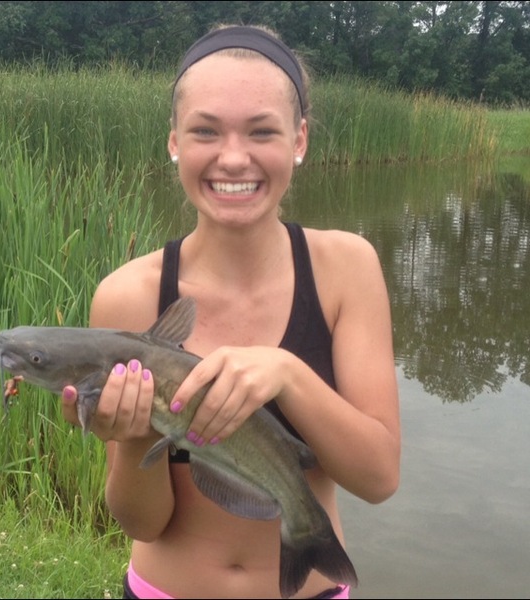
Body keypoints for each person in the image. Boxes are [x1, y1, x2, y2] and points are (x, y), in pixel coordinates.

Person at [61, 24, 400, 599]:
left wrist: (287, 373)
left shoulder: (346, 268)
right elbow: (143, 524)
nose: (234, 158)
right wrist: (137, 438)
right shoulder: (128, 294)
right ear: (174, 142)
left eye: (262, 131)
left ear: (299, 139)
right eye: (205, 131)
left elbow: (379, 478)